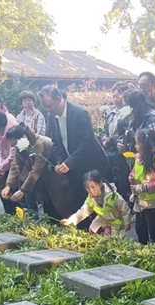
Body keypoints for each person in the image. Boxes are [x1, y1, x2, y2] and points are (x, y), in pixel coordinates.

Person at [39, 85, 110, 222]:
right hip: (72, 170)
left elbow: (87, 142)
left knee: (98, 207)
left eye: (49, 105)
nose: (48, 110)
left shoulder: (80, 113)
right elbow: (56, 142)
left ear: (59, 99)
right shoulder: (51, 117)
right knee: (77, 204)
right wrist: (61, 162)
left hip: (91, 165)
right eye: (45, 107)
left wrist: (69, 162)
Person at [120, 89, 155, 233]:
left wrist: (138, 147)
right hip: (142, 161)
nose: (126, 110)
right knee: (145, 197)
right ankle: (146, 221)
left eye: (128, 106)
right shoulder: (133, 118)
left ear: (136, 106)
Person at [2, 124, 68, 220]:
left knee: (56, 204)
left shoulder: (40, 144)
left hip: (54, 174)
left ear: (24, 137)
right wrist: (9, 185)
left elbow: (36, 170)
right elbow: (16, 164)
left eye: (14, 144)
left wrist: (22, 191)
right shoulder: (20, 144)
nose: (13, 146)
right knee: (43, 202)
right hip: (42, 175)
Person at [129, 128, 155, 245]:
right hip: (141, 201)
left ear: (147, 146)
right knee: (140, 228)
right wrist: (131, 177)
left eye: (138, 143)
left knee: (154, 229)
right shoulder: (139, 158)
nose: (135, 146)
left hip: (153, 203)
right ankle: (143, 248)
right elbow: (135, 171)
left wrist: (141, 188)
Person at [62, 170, 131, 236]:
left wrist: (127, 224)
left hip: (115, 221)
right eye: (87, 188)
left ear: (100, 184)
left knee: (108, 234)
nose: (91, 190)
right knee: (92, 230)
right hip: (102, 219)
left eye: (93, 187)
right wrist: (70, 220)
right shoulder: (90, 199)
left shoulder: (113, 196)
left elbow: (125, 210)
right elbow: (83, 212)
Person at [102, 81, 135, 203]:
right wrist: (104, 140)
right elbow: (104, 131)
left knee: (124, 185)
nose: (115, 100)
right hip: (109, 154)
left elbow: (130, 132)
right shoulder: (110, 114)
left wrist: (115, 141)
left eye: (118, 96)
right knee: (112, 185)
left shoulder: (129, 114)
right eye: (113, 97)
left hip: (123, 154)